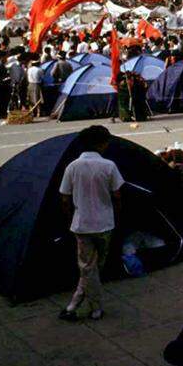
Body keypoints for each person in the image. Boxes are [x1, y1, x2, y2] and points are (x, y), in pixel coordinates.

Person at [58, 126, 124, 322]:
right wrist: (116, 214)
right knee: (95, 268)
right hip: (104, 224)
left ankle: (75, 305)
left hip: (82, 224)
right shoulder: (109, 166)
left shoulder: (72, 167)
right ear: (101, 144)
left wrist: (72, 215)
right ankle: (89, 307)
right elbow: (117, 195)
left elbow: (64, 198)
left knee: (87, 268)